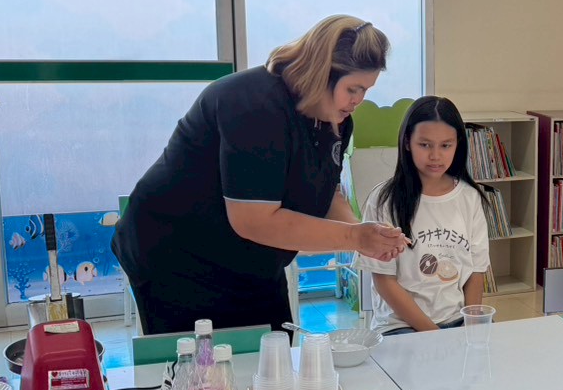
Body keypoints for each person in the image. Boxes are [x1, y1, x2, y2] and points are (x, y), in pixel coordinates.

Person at [113, 16, 408, 334]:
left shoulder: (335, 120)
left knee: (275, 341)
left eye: (365, 90)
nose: (358, 100)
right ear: (322, 73)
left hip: (248, 254)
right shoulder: (253, 104)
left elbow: (327, 192)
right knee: (206, 356)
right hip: (176, 250)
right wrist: (354, 238)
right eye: (353, 88)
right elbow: (252, 220)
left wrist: (365, 234)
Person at [359, 96, 493, 334]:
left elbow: (476, 271)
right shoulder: (383, 200)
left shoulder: (470, 198)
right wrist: (434, 335)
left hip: (456, 320)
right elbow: (384, 281)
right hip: (400, 325)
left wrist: (471, 327)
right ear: (407, 142)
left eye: (445, 145)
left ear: (458, 144)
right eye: (425, 145)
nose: (435, 156)